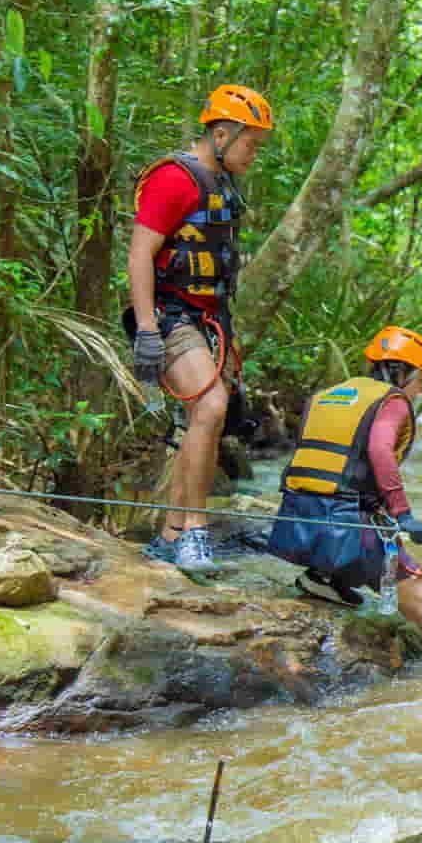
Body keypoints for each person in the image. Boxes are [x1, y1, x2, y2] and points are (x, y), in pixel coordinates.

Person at [269, 326, 422, 670]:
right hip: (346, 527)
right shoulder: (390, 401)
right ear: (401, 371)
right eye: (420, 380)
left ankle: (322, 579)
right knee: (421, 597)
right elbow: (379, 450)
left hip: (297, 523)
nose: (418, 390)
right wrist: (403, 514)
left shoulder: (328, 394)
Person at [127, 84, 273, 571]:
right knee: (208, 407)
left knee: (210, 417)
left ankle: (172, 532)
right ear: (221, 132)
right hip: (169, 313)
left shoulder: (224, 182)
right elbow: (140, 254)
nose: (255, 153)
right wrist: (147, 330)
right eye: (251, 143)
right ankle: (194, 532)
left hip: (210, 318)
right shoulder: (175, 179)